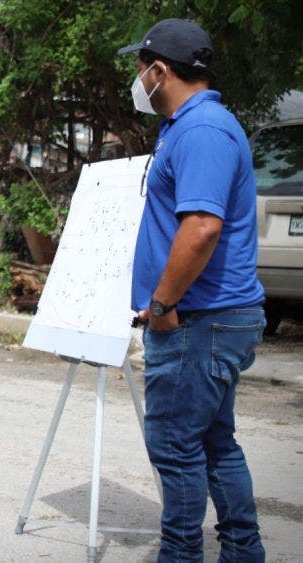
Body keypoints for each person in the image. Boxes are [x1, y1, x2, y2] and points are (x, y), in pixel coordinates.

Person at [119, 19, 266, 562]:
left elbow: (202, 227)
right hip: (211, 318)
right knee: (212, 442)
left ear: (159, 71)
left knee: (177, 448)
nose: (137, 82)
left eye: (140, 70)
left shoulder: (204, 130)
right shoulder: (188, 125)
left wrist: (162, 304)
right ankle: (243, 552)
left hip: (199, 320)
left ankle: (181, 554)